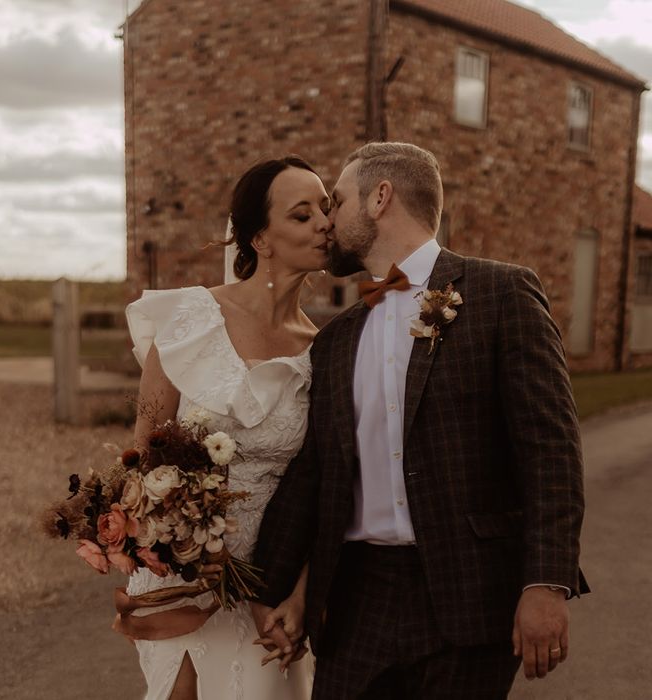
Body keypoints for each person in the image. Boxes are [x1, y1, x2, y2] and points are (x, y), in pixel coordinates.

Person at [252, 141, 588, 699]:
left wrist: (546, 583)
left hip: (468, 594)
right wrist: (253, 582)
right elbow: (314, 473)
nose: (328, 220)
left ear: (380, 197)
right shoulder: (334, 339)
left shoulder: (502, 294)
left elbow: (551, 451)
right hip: (356, 599)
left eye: (336, 201)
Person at [124, 155, 331, 700]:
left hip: (268, 574)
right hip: (180, 566)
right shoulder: (191, 318)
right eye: (302, 215)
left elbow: (320, 484)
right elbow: (142, 453)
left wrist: (300, 593)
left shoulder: (322, 351)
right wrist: (171, 542)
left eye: (326, 210)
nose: (323, 224)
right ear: (260, 239)